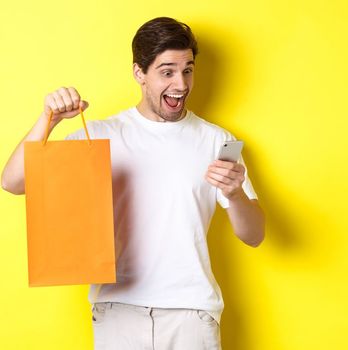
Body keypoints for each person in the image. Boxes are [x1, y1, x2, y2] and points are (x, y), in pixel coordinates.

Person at [0, 17, 265, 349]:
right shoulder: (98, 135)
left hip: (191, 314)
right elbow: (12, 182)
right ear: (139, 73)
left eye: (188, 70)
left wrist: (235, 193)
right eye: (167, 72)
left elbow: (254, 235)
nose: (181, 85)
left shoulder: (215, 141)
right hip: (117, 312)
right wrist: (48, 121)